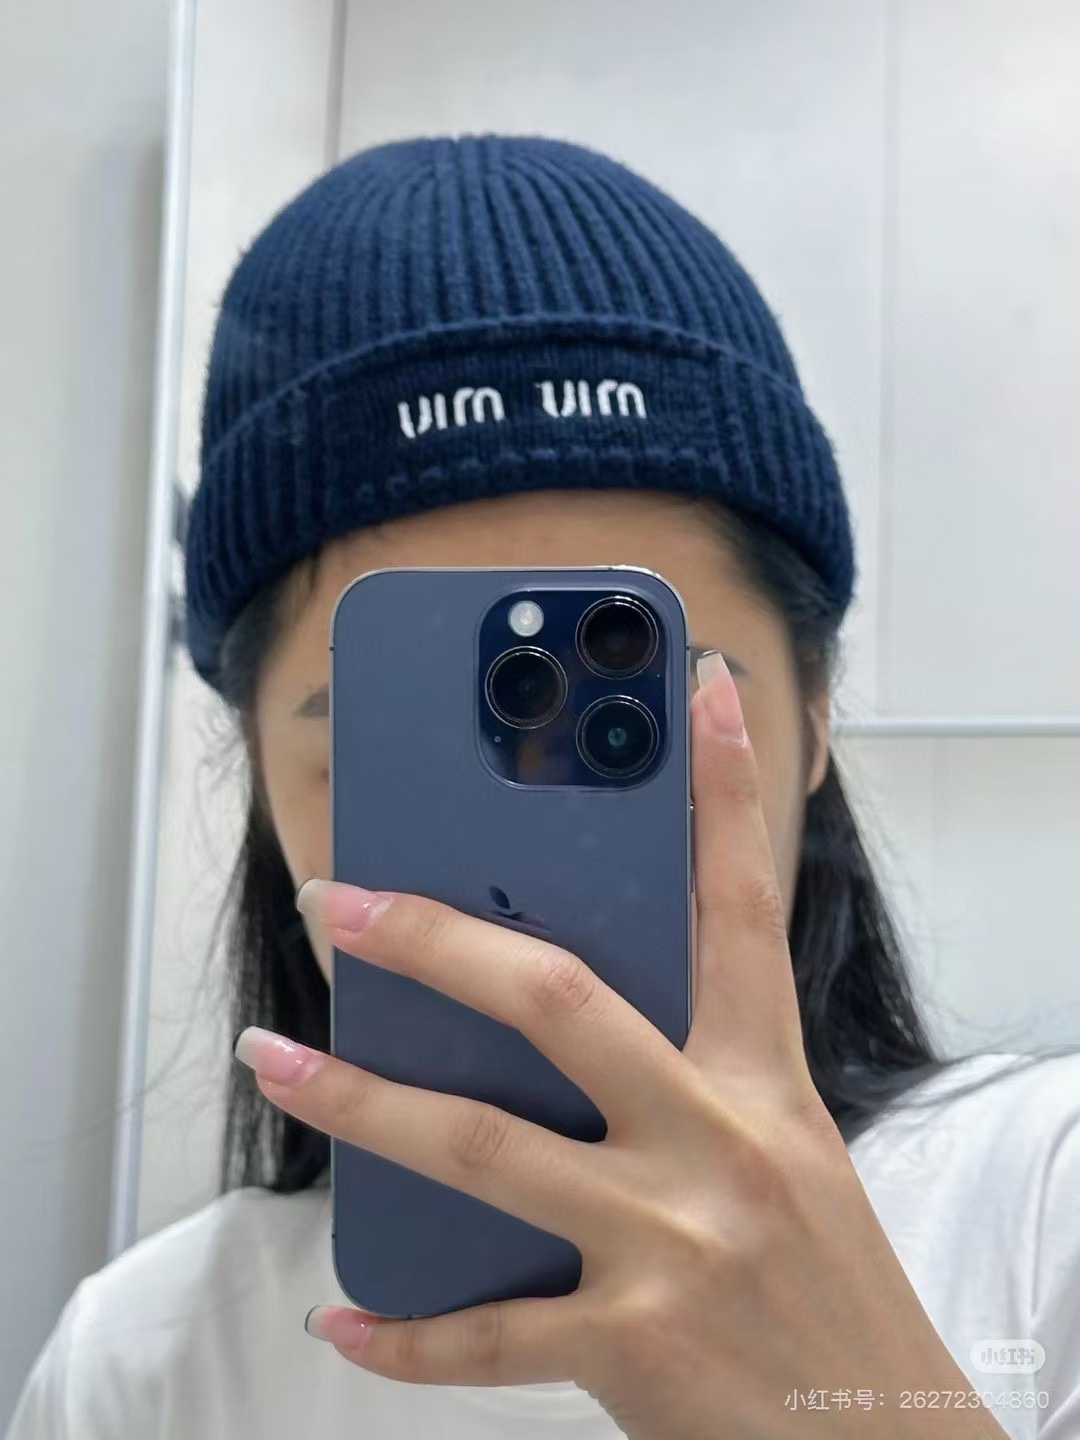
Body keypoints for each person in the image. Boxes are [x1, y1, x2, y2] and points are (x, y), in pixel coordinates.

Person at [7, 134, 1079, 1440]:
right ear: (265, 788)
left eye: (634, 716)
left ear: (814, 721)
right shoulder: (144, 1366)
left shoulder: (1047, 1213)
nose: (529, 885)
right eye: (395, 745)